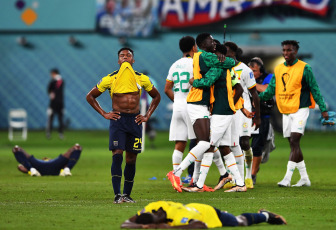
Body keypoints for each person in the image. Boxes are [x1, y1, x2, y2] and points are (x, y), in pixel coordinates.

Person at [86, 47, 161, 203]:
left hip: (135, 120)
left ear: (133, 60)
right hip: (118, 120)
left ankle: (126, 195)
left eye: (128, 55)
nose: (125, 57)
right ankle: (116, 195)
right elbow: (90, 96)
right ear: (118, 60)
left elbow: (156, 97)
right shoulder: (109, 79)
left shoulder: (142, 79)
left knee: (131, 159)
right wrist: (104, 113)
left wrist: (147, 115)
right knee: (117, 155)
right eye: (122, 55)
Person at [167, 33, 236, 192]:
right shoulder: (205, 57)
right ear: (198, 45)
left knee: (201, 143)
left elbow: (167, 88)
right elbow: (230, 63)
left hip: (189, 103)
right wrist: (222, 56)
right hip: (196, 103)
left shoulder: (184, 61)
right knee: (205, 143)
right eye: (211, 41)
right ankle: (177, 173)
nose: (214, 43)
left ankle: (197, 181)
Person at [259, 40, 329, 187]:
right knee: (293, 144)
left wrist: (323, 108)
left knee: (295, 141)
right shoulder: (278, 69)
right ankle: (304, 178)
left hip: (300, 109)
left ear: (295, 52)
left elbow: (314, 89)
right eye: (284, 50)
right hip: (285, 110)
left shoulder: (305, 68)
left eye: (289, 50)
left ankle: (287, 178)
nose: (286, 53)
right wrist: (256, 100)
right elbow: (271, 90)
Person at [189, 43, 246, 192]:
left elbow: (207, 82)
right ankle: (240, 183)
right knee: (224, 148)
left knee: (209, 146)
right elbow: (235, 79)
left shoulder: (218, 68)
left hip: (221, 111)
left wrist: (193, 81)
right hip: (222, 111)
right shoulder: (226, 67)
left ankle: (199, 185)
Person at [224, 42, 261, 189]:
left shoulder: (245, 70)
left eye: (225, 52)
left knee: (244, 142)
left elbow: (254, 94)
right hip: (229, 108)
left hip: (244, 108)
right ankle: (233, 177)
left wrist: (257, 117)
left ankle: (248, 176)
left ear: (233, 53)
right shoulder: (223, 68)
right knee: (230, 143)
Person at [121, 200, 287, 228]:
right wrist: (141, 225)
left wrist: (163, 227)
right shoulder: (152, 207)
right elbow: (125, 223)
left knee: (239, 221)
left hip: (209, 213)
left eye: (158, 221)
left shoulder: (178, 217)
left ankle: (265, 215)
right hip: (195, 207)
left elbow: (199, 226)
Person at [164, 36, 197, 173]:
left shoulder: (174, 65)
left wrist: (178, 100)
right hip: (193, 106)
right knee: (199, 143)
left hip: (177, 106)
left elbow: (167, 89)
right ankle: (195, 179)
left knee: (180, 143)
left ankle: (176, 178)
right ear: (193, 47)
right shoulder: (195, 63)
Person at [248, 57, 275, 185]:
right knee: (241, 145)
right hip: (246, 116)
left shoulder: (269, 77)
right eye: (250, 70)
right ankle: (243, 173)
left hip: (262, 117)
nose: (251, 73)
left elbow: (266, 89)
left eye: (254, 70)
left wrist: (251, 83)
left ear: (261, 71)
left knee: (257, 147)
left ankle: (252, 174)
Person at [12, 144, 82, 176]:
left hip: (39, 167)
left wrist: (27, 167)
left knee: (16, 149)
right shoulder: (57, 162)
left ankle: (31, 169)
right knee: (77, 147)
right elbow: (20, 167)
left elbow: (20, 167)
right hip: (53, 166)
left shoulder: (35, 163)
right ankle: (67, 169)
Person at [46, 68, 65, 140]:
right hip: (55, 103)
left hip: (57, 103)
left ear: (54, 73)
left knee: (59, 118)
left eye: (52, 74)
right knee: (51, 118)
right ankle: (49, 132)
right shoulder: (53, 81)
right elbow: (49, 90)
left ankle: (60, 133)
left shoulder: (60, 81)